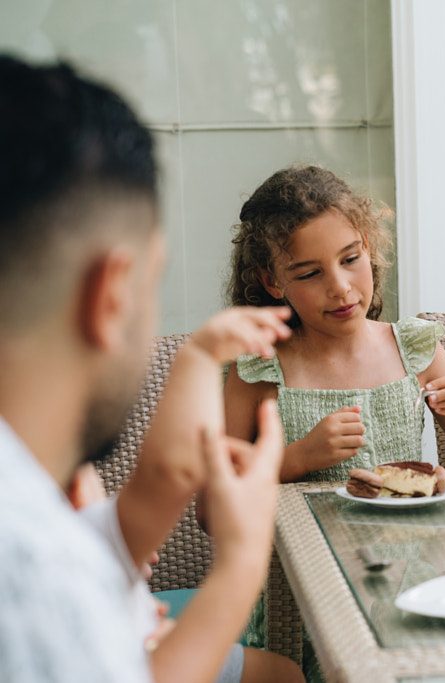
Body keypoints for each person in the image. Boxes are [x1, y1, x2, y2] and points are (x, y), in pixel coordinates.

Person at [0, 55, 283, 682]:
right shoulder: (36, 577)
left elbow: (167, 473)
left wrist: (200, 357)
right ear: (114, 295)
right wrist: (240, 565)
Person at [223, 165, 445, 680]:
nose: (340, 287)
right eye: (308, 273)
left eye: (350, 259)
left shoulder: (415, 348)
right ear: (273, 282)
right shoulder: (259, 369)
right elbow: (213, 506)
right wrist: (297, 459)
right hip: (299, 600)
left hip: (411, 584)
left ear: (370, 249)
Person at [68, 307, 304, 683]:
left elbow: (167, 473)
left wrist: (201, 356)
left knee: (283, 674)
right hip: (136, 662)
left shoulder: (56, 474)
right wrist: (242, 556)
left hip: (137, 638)